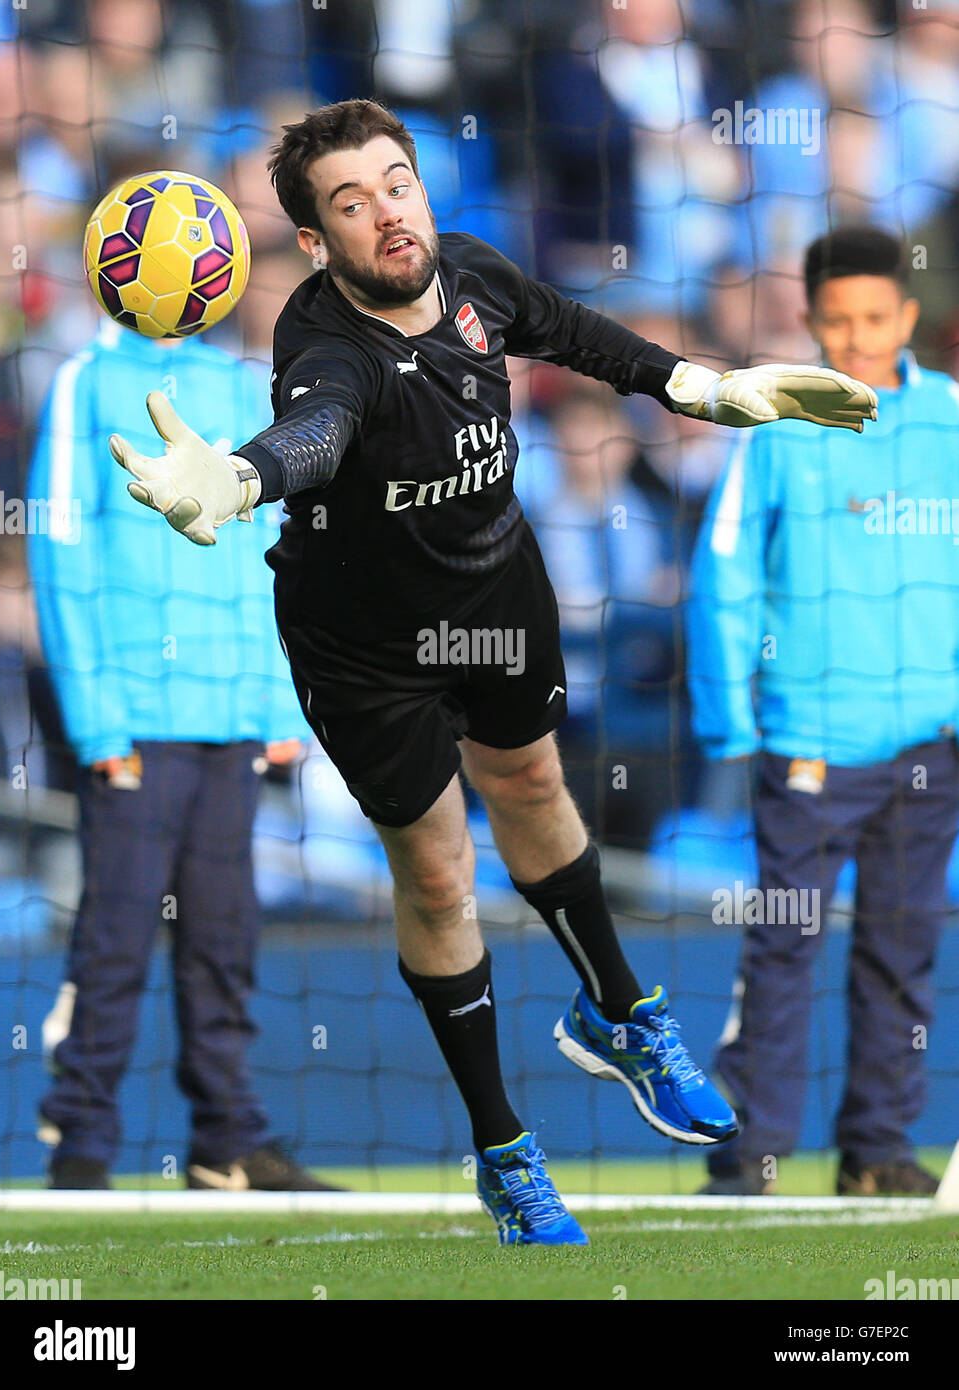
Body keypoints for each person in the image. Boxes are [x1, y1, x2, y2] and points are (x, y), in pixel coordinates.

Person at [108, 99, 877, 1243]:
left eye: (397, 182)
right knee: (437, 873)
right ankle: (506, 1151)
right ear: (315, 244)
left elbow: (580, 335)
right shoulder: (324, 347)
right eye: (351, 203)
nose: (387, 213)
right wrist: (234, 479)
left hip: (493, 592)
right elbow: (312, 433)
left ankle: (623, 1012)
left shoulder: (471, 274)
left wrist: (711, 391)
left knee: (531, 785)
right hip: (363, 649)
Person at [29, 314, 334, 1193]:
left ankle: (226, 1143)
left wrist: (279, 699)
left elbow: (264, 543)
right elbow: (59, 551)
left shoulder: (240, 382)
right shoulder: (80, 380)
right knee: (114, 941)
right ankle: (80, 1149)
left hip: (230, 715)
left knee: (224, 939)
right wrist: (95, 721)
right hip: (132, 717)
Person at [687, 226, 959, 1197]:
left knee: (902, 954)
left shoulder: (952, 425)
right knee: (783, 952)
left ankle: (877, 1154)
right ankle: (747, 1155)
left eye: (875, 319)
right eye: (837, 321)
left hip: (931, 747)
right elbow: (722, 571)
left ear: (909, 316)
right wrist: (733, 720)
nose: (857, 338)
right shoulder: (779, 422)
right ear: (809, 321)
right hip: (808, 744)